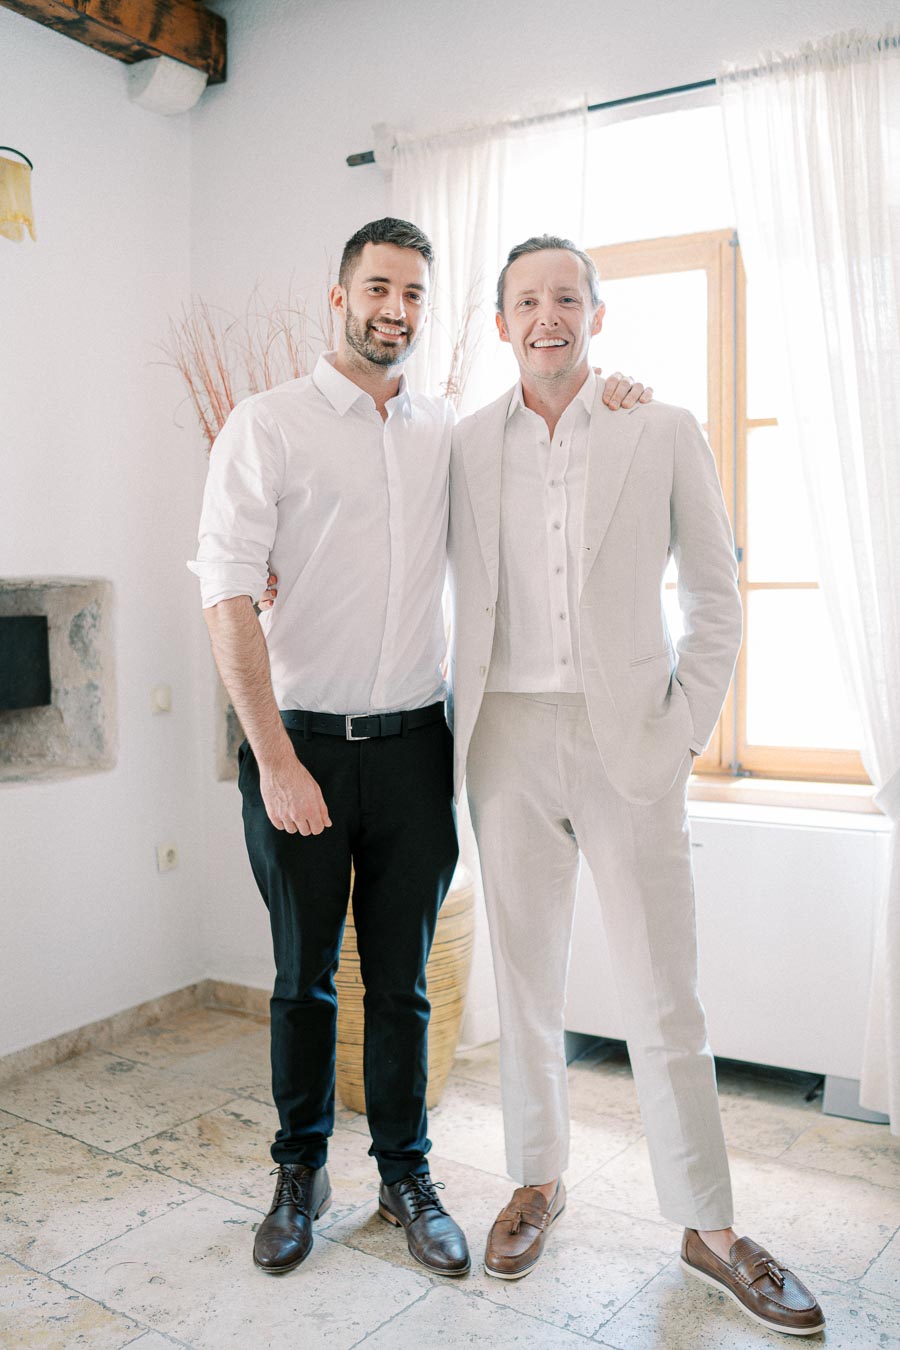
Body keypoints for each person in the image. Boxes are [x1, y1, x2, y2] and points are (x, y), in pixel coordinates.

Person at [189, 217, 647, 1279]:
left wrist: (617, 392)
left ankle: (407, 1176)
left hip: (416, 749)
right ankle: (298, 1174)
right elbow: (226, 599)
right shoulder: (267, 427)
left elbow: (551, 434)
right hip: (298, 744)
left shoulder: (450, 430)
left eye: (413, 296)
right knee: (304, 980)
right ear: (339, 296)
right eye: (379, 288)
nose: (396, 310)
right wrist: (276, 762)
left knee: (402, 985)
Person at [446, 235, 825, 1337]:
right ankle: (536, 1179)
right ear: (501, 322)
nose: (547, 315)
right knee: (523, 988)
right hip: (503, 739)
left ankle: (709, 1227)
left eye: (567, 297)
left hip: (632, 744)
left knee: (666, 995)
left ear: (597, 316)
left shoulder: (658, 427)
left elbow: (719, 597)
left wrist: (680, 734)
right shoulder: (464, 445)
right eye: (527, 300)